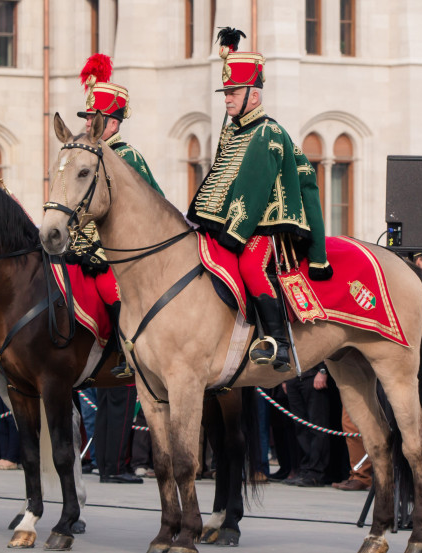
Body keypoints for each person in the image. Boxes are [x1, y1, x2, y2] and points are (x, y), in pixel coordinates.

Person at [187, 27, 329, 373]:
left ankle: (278, 342)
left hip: (262, 228)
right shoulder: (239, 130)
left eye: (234, 92)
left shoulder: (266, 132)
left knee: (251, 266)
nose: (227, 98)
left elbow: (254, 189)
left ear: (255, 95)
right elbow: (222, 163)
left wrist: (233, 234)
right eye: (226, 93)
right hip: (236, 224)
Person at [68, 53, 162, 379]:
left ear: (112, 123)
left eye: (93, 118)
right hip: (87, 248)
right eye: (86, 118)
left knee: (111, 288)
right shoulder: (91, 155)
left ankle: (125, 350)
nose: (86, 124)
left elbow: (153, 205)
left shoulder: (127, 157)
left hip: (120, 254)